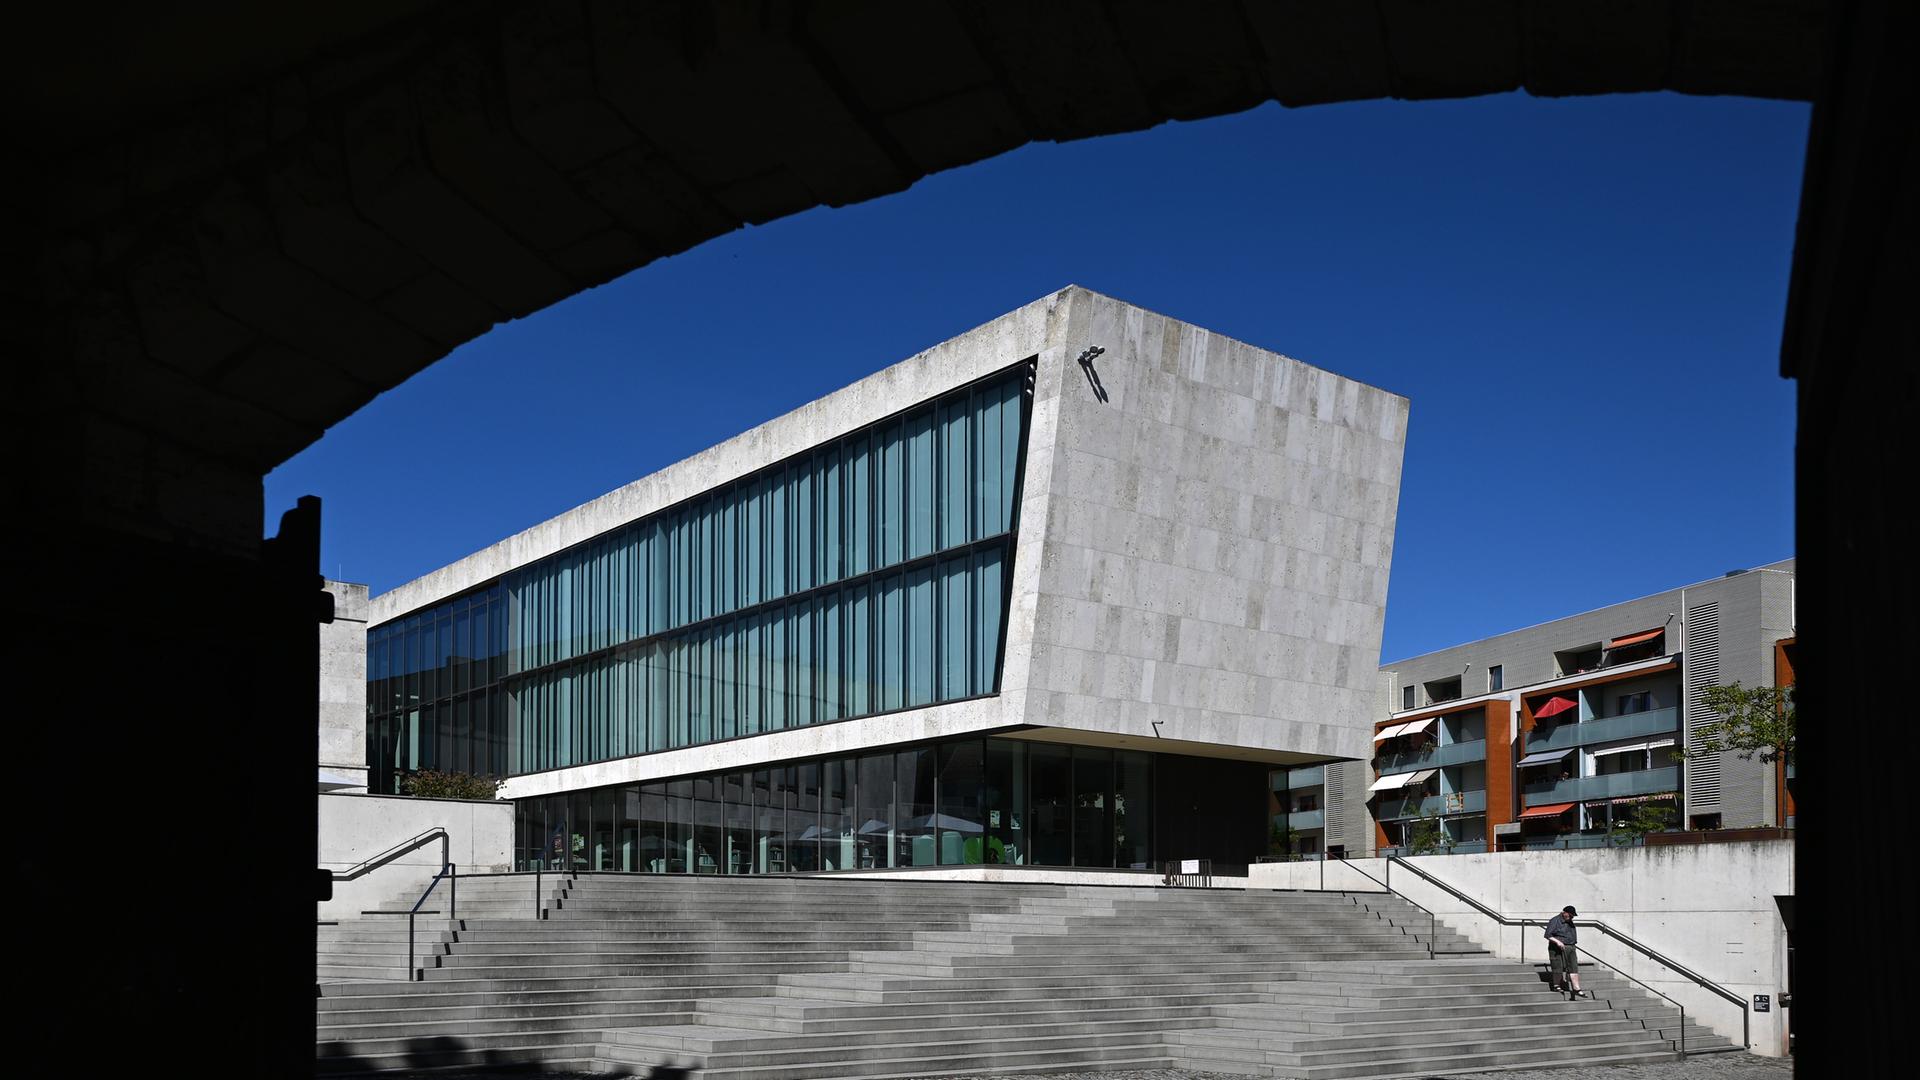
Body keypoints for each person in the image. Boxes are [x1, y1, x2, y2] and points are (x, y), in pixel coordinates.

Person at [1544, 905, 1591, 1000]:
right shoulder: (1555, 920)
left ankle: (1576, 989)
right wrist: (1558, 942)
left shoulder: (1570, 921)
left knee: (1573, 967)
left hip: (1571, 947)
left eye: (1572, 916)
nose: (1571, 917)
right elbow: (1547, 934)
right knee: (1558, 967)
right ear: (1564, 912)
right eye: (1570, 915)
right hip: (1557, 947)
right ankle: (1556, 985)